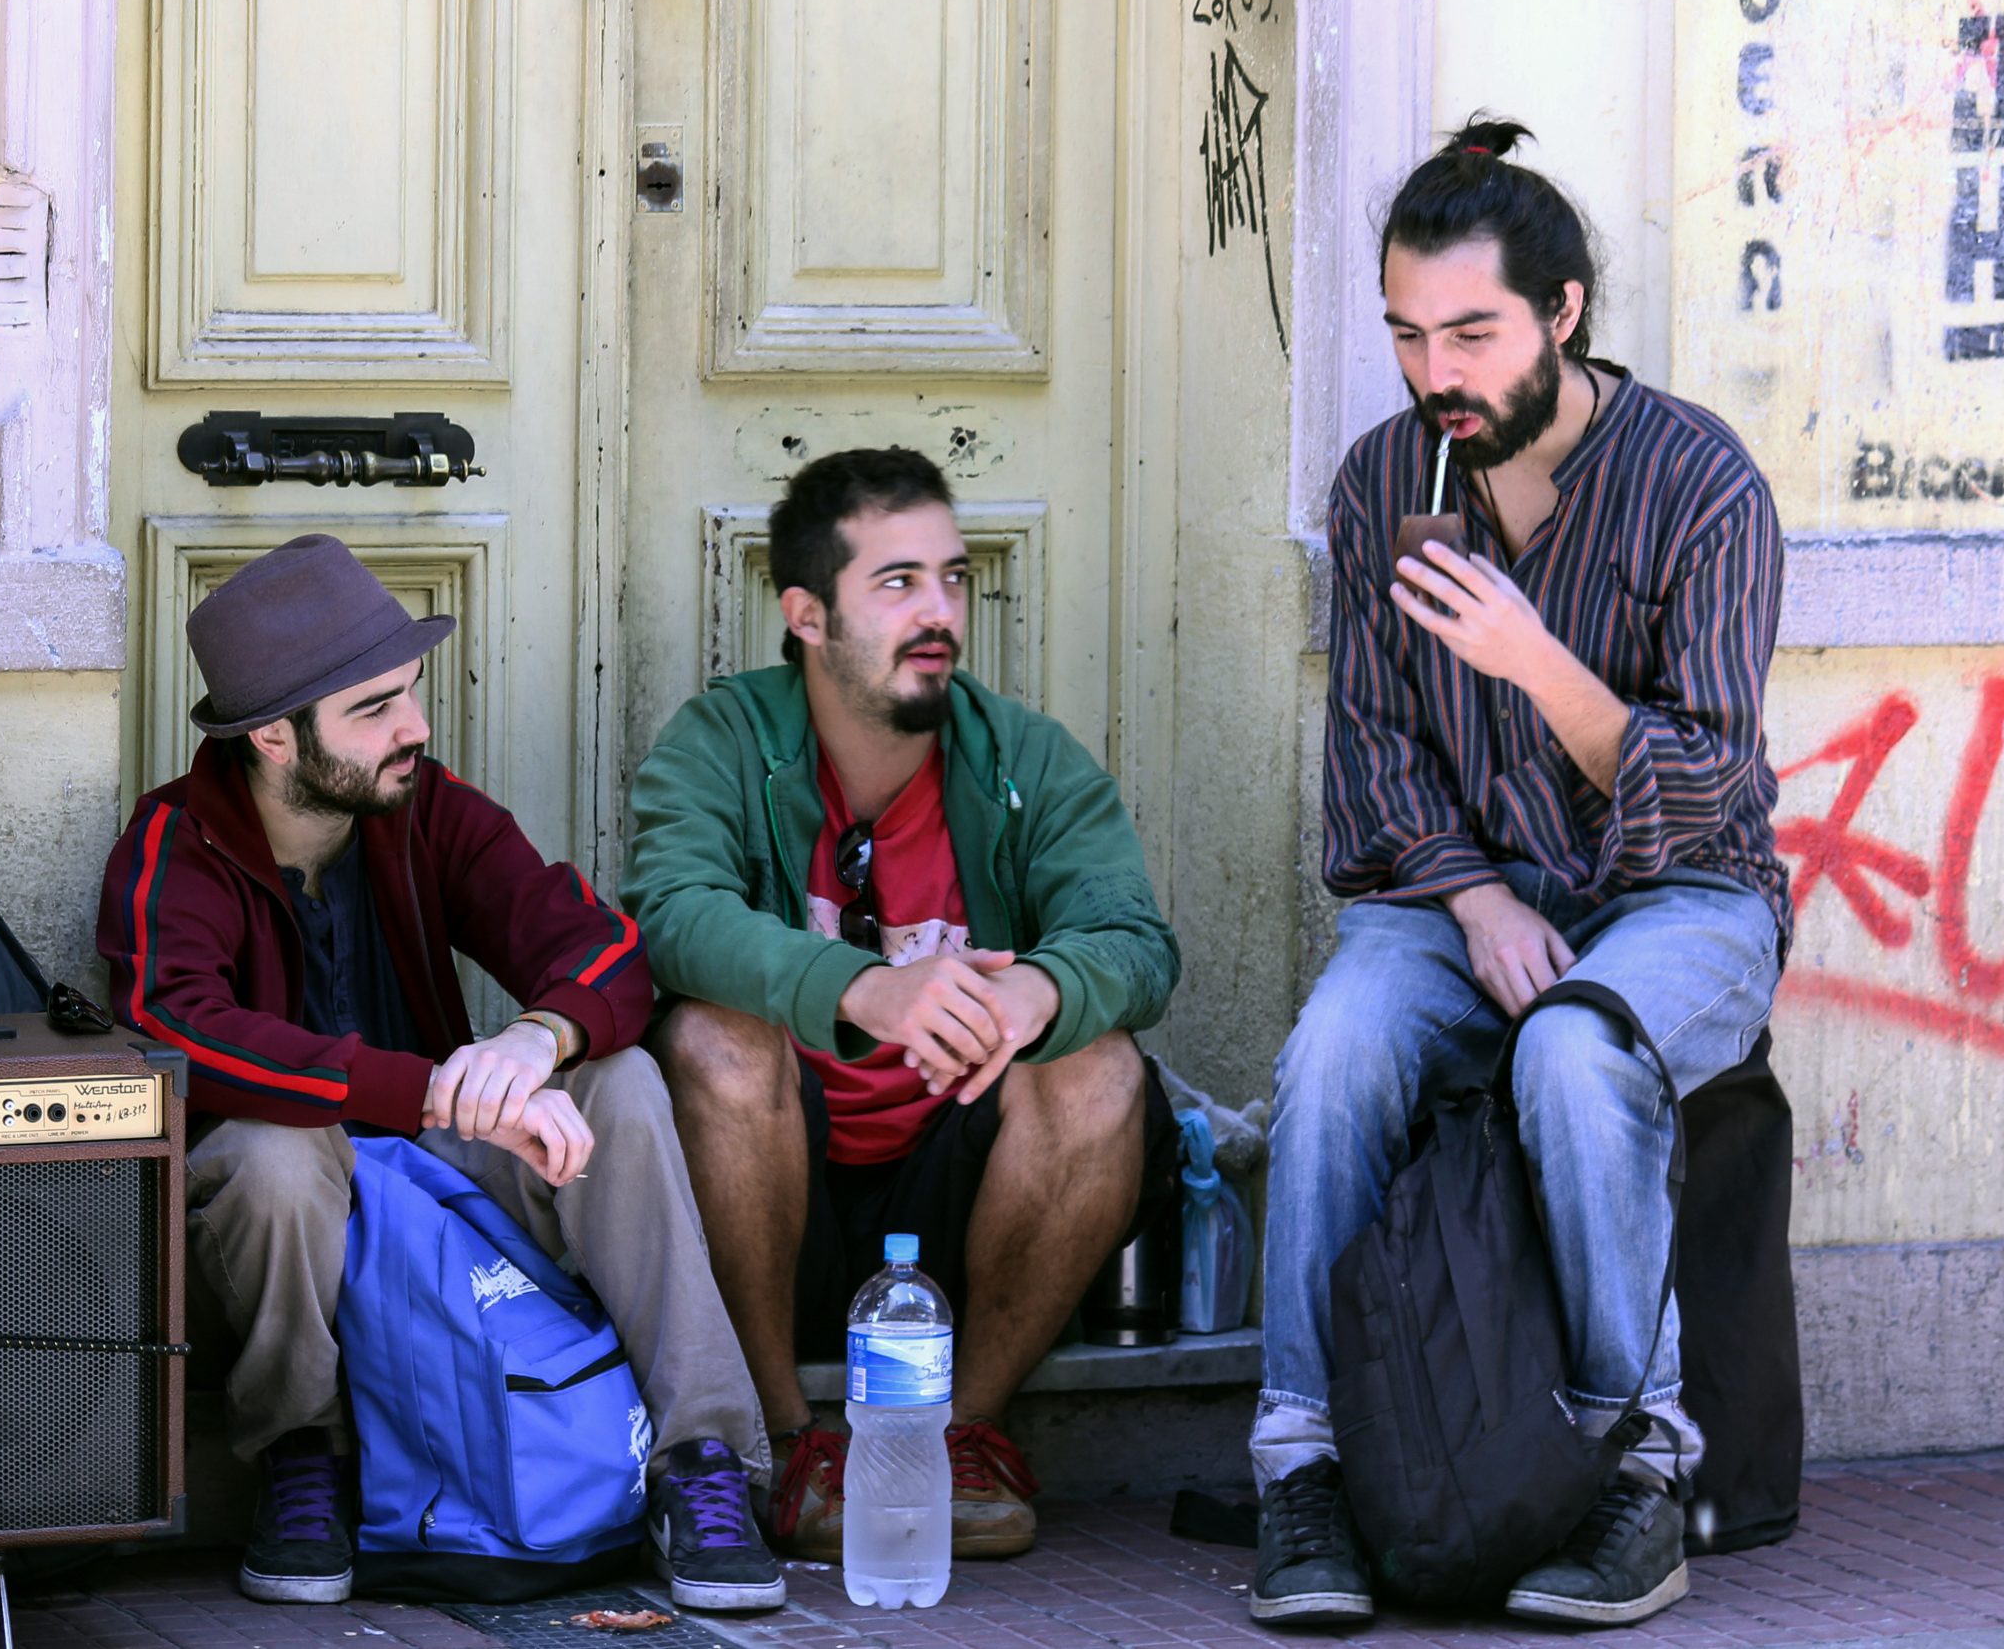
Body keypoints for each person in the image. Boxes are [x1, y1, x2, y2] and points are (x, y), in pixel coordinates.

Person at [1250, 119, 1791, 1628]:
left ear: (1562, 314)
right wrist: (1478, 899)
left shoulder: (1701, 485)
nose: (1439, 374)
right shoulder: (1386, 488)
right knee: (1337, 1048)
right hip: (1462, 892)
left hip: (1684, 903)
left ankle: (1638, 1472)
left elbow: (1706, 799)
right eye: (1410, 335)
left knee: (1574, 1046)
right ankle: (1304, 1467)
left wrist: (1536, 661)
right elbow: (1370, 759)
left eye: (1474, 332)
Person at [97, 535, 784, 1613]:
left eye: (409, 695)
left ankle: (702, 1464)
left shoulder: (425, 805)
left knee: (624, 1083)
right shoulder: (175, 844)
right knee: (271, 1160)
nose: (414, 727)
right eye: (373, 708)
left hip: (450, 1168)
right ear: (276, 736)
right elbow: (179, 1030)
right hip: (301, 1194)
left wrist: (537, 1039)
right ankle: (302, 1461)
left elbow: (603, 950)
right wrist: (420, 1090)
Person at [623, 447, 1182, 1564]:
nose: (939, 613)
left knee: (1100, 1064)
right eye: (897, 583)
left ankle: (967, 1432)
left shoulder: (1024, 759)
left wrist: (1039, 989)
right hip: (778, 1194)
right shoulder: (724, 742)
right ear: (807, 613)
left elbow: (1134, 944)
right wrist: (865, 987)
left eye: (952, 577)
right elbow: (668, 915)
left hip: (966, 1200)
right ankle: (779, 1438)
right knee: (710, 1042)